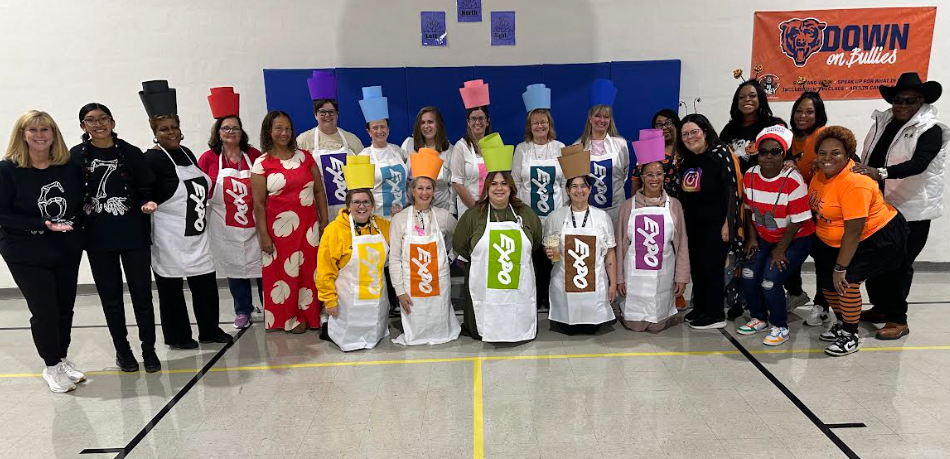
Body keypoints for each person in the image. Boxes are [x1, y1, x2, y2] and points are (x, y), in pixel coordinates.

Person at [853, 73, 948, 340]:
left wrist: (879, 173)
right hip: (880, 207)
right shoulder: (882, 122)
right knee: (876, 260)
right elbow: (869, 158)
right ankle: (882, 308)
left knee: (899, 264)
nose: (903, 105)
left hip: (911, 211)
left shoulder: (931, 130)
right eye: (898, 100)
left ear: (921, 102)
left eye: (910, 101)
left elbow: (919, 164)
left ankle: (898, 319)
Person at [140, 80, 232, 348]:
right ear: (155, 132)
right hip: (169, 237)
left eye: (174, 127)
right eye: (164, 129)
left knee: (205, 285)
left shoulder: (187, 153)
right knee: (171, 291)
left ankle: (209, 330)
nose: (171, 133)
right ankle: (178, 336)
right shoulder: (152, 159)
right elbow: (144, 193)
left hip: (197, 234)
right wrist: (147, 204)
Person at [70, 103, 160, 372]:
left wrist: (147, 202)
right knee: (111, 298)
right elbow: (72, 195)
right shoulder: (75, 157)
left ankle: (149, 350)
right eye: (91, 120)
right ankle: (123, 351)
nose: (98, 124)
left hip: (133, 235)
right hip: (98, 239)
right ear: (83, 126)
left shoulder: (130, 153)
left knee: (142, 295)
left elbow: (146, 187)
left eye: (103, 118)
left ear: (113, 121)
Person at [0, 111, 86, 392]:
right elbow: (3, 214)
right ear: (22, 135)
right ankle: (51, 366)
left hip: (64, 247)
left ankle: (61, 358)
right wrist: (43, 224)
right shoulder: (7, 170)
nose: (40, 135)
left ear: (54, 134)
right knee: (44, 310)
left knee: (65, 308)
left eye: (45, 129)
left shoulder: (67, 167)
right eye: (33, 130)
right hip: (25, 249)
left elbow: (77, 204)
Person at [809, 126, 908, 356]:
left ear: (848, 154)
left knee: (847, 282)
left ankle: (850, 334)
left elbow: (854, 230)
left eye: (836, 153)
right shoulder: (820, 174)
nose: (828, 158)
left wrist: (841, 268)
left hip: (876, 236)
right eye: (822, 153)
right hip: (836, 237)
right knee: (827, 283)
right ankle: (843, 322)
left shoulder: (855, 183)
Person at [453, 133, 542, 342]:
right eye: (494, 184)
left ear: (511, 186)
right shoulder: (473, 215)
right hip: (484, 286)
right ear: (487, 188)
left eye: (504, 183)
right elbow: (460, 244)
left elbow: (535, 240)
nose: (499, 188)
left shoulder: (526, 213)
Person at [736, 126, 815, 346]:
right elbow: (749, 211)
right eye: (764, 152)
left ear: (784, 154)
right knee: (749, 273)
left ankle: (780, 326)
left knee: (770, 281)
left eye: (775, 151)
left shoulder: (793, 180)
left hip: (796, 238)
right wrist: (751, 238)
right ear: (757, 153)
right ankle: (759, 317)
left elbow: (798, 221)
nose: (769, 156)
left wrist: (780, 249)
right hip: (764, 236)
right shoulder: (750, 175)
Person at [250, 111, 327, 333]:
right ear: (268, 131)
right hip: (279, 231)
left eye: (287, 128)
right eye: (278, 128)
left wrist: (323, 221)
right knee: (285, 274)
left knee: (309, 271)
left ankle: (310, 314)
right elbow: (258, 205)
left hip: (308, 227)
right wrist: (263, 235)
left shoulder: (305, 157)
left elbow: (319, 191)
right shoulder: (262, 163)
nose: (284, 133)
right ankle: (290, 317)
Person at [198, 87, 264, 330]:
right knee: (236, 269)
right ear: (218, 132)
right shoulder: (208, 158)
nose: (231, 132)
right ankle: (242, 310)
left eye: (235, 128)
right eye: (226, 128)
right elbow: (200, 188)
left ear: (241, 131)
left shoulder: (254, 155)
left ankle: (271, 307)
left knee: (263, 267)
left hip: (256, 222)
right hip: (226, 224)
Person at [616, 131, 690, 332]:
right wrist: (619, 278)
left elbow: (682, 244)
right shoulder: (628, 206)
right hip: (634, 277)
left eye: (659, 173)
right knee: (636, 326)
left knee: (657, 327)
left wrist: (681, 277)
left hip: (662, 276)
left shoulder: (673, 205)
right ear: (641, 177)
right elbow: (620, 245)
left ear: (664, 176)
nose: (654, 178)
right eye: (649, 174)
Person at [317, 156, 392, 351]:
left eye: (366, 202)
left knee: (374, 334)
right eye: (357, 202)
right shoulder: (334, 230)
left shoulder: (383, 226)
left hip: (376, 301)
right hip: (347, 303)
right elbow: (325, 270)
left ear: (372, 205)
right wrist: (329, 300)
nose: (362, 206)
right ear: (348, 205)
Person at [388, 148, 460, 345]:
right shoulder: (400, 219)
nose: (424, 192)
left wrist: (450, 256)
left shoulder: (443, 217)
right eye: (420, 188)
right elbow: (394, 259)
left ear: (434, 191)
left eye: (429, 188)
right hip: (411, 286)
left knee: (439, 320)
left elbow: (461, 239)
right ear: (412, 191)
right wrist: (400, 292)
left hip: (439, 283)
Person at [677, 114, 742, 330]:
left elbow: (732, 189)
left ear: (705, 131)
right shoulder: (687, 159)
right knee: (698, 268)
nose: (690, 137)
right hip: (694, 224)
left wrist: (728, 223)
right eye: (685, 134)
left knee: (712, 268)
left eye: (694, 132)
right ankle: (701, 308)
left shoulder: (721, 153)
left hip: (716, 224)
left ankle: (715, 313)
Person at [543, 145, 616, 334]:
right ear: (567, 190)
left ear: (590, 189)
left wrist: (613, 284)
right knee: (568, 329)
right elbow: (551, 252)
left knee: (591, 329)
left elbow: (610, 255)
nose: (579, 190)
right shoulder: (555, 217)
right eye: (574, 186)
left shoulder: (602, 217)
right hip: (564, 286)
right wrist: (550, 252)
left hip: (595, 289)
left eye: (583, 186)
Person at [513, 84, 565, 312]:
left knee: (553, 257)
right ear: (529, 126)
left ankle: (551, 297)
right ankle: (535, 298)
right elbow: (514, 181)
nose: (540, 125)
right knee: (532, 258)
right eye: (535, 122)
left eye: (543, 121)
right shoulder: (521, 149)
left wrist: (563, 212)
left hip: (555, 214)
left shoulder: (560, 147)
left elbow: (565, 182)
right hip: (529, 217)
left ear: (549, 124)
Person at [788, 91, 830, 326]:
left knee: (822, 259)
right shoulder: (787, 137)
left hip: (818, 208)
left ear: (818, 114)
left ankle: (821, 306)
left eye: (809, 111)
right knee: (788, 253)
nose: (802, 115)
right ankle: (795, 293)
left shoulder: (823, 136)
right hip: (792, 208)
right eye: (799, 111)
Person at [296, 71, 363, 218]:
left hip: (350, 210)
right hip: (318, 209)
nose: (327, 116)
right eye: (322, 112)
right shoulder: (303, 140)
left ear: (337, 114)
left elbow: (363, 176)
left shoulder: (352, 140)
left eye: (331, 112)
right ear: (315, 114)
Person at [576, 79, 630, 225]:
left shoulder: (621, 144)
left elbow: (624, 175)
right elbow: (576, 182)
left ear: (610, 119)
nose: (602, 120)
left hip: (616, 210)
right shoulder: (578, 146)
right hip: (589, 211)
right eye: (598, 116)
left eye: (606, 116)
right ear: (590, 117)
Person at [357, 86, 408, 219]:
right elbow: (360, 194)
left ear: (388, 129)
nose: (380, 131)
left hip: (402, 215)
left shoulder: (397, 150)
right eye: (375, 128)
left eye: (383, 126)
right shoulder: (363, 157)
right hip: (378, 217)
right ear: (368, 131)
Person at [720, 80, 788, 172]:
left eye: (752, 96)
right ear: (737, 102)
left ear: (761, 99)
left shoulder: (774, 125)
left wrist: (790, 161)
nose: (747, 99)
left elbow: (787, 154)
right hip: (736, 183)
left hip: (766, 182)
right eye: (742, 97)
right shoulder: (729, 129)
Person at [401, 106, 455, 213]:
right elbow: (403, 179)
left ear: (438, 125)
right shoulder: (409, 145)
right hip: (413, 210)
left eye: (430, 122)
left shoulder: (450, 150)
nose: (426, 126)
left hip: (442, 211)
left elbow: (453, 185)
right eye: (422, 122)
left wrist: (452, 210)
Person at [452, 79, 491, 216]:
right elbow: (457, 183)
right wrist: (476, 209)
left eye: (481, 118)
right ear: (468, 122)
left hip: (493, 209)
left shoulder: (495, 144)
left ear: (487, 121)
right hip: (469, 211)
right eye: (473, 119)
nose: (477, 122)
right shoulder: (461, 147)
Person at [632, 109, 683, 199]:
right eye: (659, 124)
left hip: (682, 205)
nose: (664, 127)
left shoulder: (687, 148)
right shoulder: (648, 149)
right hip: (655, 205)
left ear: (676, 125)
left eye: (668, 123)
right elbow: (636, 181)